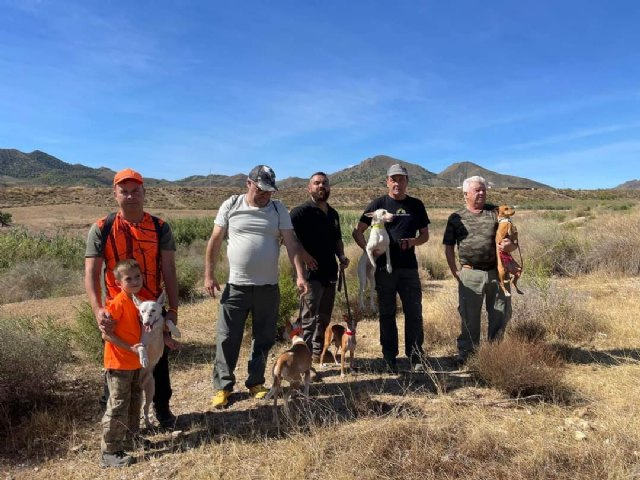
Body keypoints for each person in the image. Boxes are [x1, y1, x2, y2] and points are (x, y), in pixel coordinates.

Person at [204, 165, 309, 409]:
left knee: (263, 338)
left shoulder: (277, 208)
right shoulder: (231, 205)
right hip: (236, 287)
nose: (265, 195)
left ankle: (255, 382)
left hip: (267, 287)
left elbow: (291, 243)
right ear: (248, 184)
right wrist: (209, 274)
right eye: (261, 190)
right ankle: (223, 387)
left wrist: (299, 274)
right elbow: (215, 240)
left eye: (269, 191)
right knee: (227, 337)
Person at [85, 168, 179, 428]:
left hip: (152, 308)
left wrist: (173, 310)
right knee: (119, 364)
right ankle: (116, 422)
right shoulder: (102, 229)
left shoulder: (160, 228)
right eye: (124, 191)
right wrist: (97, 310)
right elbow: (92, 273)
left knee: (157, 361)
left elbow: (169, 270)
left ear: (144, 192)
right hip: (120, 311)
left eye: (135, 190)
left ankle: (161, 409)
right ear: (115, 194)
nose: (130, 196)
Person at [352, 164, 430, 372]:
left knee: (414, 312)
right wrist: (369, 252)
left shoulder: (416, 205)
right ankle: (389, 357)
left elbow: (425, 236)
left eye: (401, 179)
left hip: (409, 269)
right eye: (393, 179)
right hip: (384, 270)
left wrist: (412, 243)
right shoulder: (378, 204)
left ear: (407, 182)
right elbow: (357, 231)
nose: (397, 183)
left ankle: (415, 356)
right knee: (387, 313)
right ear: (387, 181)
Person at [442, 175, 514, 366]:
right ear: (466, 194)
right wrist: (455, 271)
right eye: (477, 190)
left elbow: (512, 241)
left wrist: (509, 246)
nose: (482, 193)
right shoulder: (456, 218)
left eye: (484, 190)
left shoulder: (496, 212)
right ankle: (467, 355)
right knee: (469, 316)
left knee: (500, 313)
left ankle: (494, 355)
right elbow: (448, 246)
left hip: (496, 273)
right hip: (469, 274)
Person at [290, 172, 349, 375]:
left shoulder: (333, 214)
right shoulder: (300, 213)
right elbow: (289, 240)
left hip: (330, 272)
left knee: (323, 318)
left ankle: (316, 352)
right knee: (307, 318)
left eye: (324, 183)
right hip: (309, 274)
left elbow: (337, 240)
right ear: (309, 188)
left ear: (329, 187)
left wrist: (341, 256)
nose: (321, 186)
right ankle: (301, 362)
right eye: (316, 183)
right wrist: (304, 255)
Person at [100, 259, 145, 468]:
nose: (135, 281)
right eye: (129, 278)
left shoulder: (137, 301)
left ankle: (131, 438)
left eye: (137, 276)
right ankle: (109, 451)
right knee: (118, 405)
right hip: (118, 363)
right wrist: (130, 348)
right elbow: (107, 335)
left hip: (134, 363)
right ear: (119, 282)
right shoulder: (117, 303)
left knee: (135, 400)